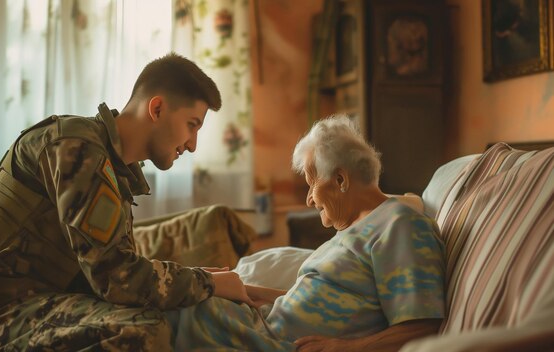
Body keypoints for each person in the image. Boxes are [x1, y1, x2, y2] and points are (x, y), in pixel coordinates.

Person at [0, 53, 255, 351]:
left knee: (170, 313)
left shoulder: (116, 171)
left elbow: (110, 274)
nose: (193, 145)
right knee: (143, 331)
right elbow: (117, 279)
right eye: (192, 125)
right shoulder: (77, 148)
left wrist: (200, 282)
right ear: (156, 109)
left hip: (17, 298)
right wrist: (206, 281)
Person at [169, 114, 446, 351]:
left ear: (340, 180)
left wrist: (345, 349)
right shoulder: (353, 231)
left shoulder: (400, 224)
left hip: (267, 342)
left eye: (311, 185)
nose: (310, 201)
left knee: (166, 314)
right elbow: (309, 302)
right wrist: (238, 288)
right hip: (256, 327)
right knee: (180, 297)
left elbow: (422, 327)